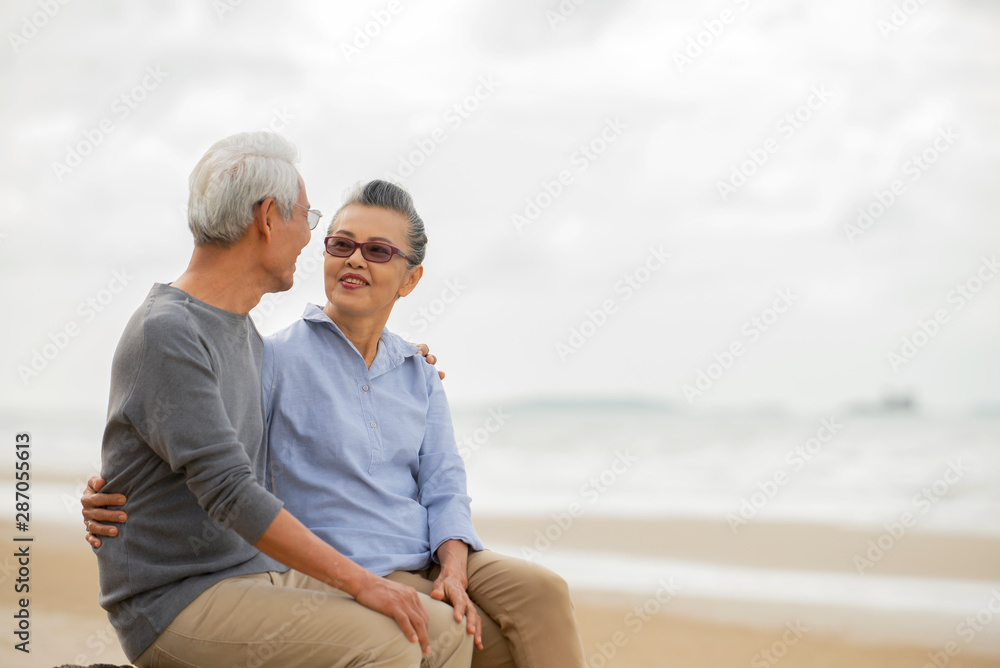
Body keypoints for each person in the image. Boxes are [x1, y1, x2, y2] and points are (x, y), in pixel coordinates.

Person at [87, 179, 587, 667]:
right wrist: (116, 492)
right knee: (478, 642)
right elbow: (212, 452)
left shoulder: (419, 371)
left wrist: (454, 568)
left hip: (428, 551)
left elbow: (444, 483)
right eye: (341, 244)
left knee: (542, 592)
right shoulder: (272, 358)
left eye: (377, 251)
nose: (354, 259)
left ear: (410, 279)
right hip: (348, 562)